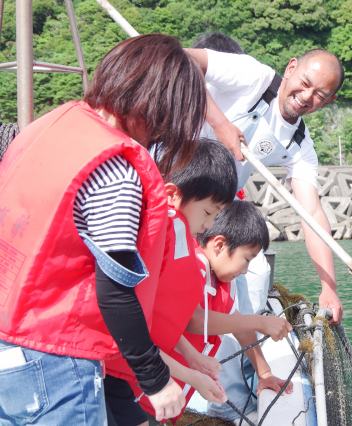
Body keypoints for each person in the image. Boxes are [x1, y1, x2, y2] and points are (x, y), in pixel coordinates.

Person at [0, 34, 207, 424]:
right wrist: (155, 378)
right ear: (160, 107)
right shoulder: (115, 173)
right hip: (55, 361)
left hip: (10, 345)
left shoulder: (50, 129)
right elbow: (114, 290)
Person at [185, 43, 346, 325]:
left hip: (218, 207)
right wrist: (221, 123)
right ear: (291, 67)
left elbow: (312, 214)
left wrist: (328, 287)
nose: (306, 97)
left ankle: (243, 355)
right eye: (305, 83)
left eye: (320, 95)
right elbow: (185, 59)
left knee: (256, 270)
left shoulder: (299, 145)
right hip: (177, 182)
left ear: (329, 101)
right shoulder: (253, 76)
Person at [104, 140, 236, 426]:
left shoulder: (181, 234)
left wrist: (193, 357)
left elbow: (160, 315)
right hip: (118, 370)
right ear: (173, 195)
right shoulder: (157, 233)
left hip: (131, 374)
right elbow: (134, 321)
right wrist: (191, 376)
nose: (210, 224)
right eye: (209, 213)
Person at [188, 200, 294, 423]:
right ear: (219, 245)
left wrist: (264, 373)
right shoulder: (193, 267)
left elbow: (238, 325)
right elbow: (194, 320)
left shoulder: (222, 280)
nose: (246, 270)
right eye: (246, 260)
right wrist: (258, 322)